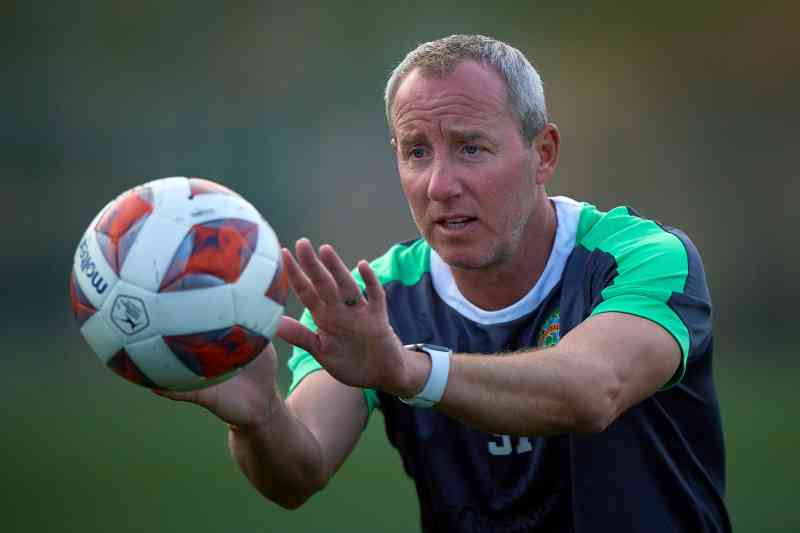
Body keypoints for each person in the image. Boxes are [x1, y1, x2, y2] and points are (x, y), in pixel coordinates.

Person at [159, 34, 731, 532]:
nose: (439, 184)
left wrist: (409, 371)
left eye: (470, 148)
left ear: (543, 154)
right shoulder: (369, 299)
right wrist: (258, 417)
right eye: (416, 153)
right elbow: (298, 472)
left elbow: (591, 390)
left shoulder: (643, 257)